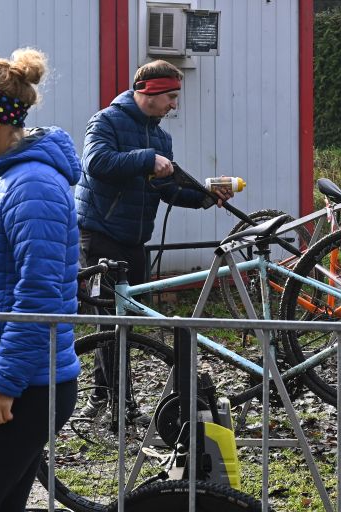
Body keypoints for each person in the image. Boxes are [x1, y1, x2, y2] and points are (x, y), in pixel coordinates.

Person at [73, 59, 231, 419]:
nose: (174, 104)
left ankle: (104, 398)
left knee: (122, 320)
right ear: (150, 93)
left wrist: (206, 195)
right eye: (171, 96)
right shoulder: (106, 121)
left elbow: (166, 188)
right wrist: (146, 159)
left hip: (133, 240)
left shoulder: (160, 136)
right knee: (112, 321)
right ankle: (121, 406)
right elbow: (96, 163)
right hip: (100, 237)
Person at [0, 48, 81, 511]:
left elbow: (41, 296)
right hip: (22, 381)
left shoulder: (32, 186)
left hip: (28, 387)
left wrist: (4, 382)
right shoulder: (10, 178)